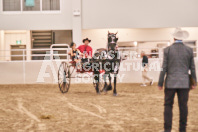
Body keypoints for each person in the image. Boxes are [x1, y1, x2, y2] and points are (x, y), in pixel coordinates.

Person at [158, 28, 197, 132]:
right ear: (182, 38)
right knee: (183, 106)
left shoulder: (167, 50)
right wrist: (194, 82)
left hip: (170, 82)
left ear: (174, 37)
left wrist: (160, 82)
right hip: (184, 83)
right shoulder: (189, 50)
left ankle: (167, 129)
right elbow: (192, 67)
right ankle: (182, 129)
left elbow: (163, 67)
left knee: (168, 105)